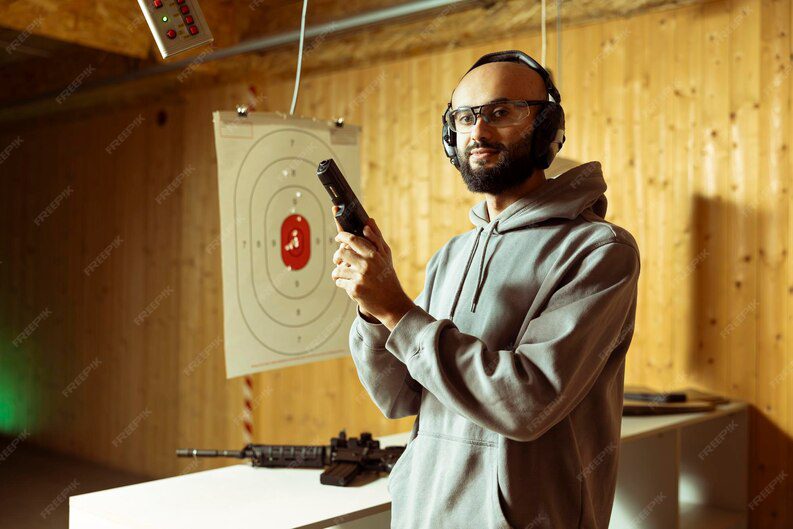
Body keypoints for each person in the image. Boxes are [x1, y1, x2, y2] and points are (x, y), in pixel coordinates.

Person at [331, 50, 640, 529]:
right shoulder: (451, 256)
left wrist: (398, 311)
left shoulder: (600, 251)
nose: (478, 131)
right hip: (423, 514)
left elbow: (529, 403)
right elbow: (402, 398)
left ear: (547, 127)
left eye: (501, 112)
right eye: (465, 117)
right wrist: (374, 312)